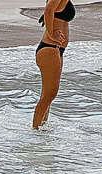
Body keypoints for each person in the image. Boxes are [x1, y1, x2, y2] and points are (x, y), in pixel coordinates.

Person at [33, 0, 74, 129]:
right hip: (49, 48)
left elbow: (51, 11)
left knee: (48, 96)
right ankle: (35, 131)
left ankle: (41, 131)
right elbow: (48, 10)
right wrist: (52, 34)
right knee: (49, 94)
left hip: (55, 49)